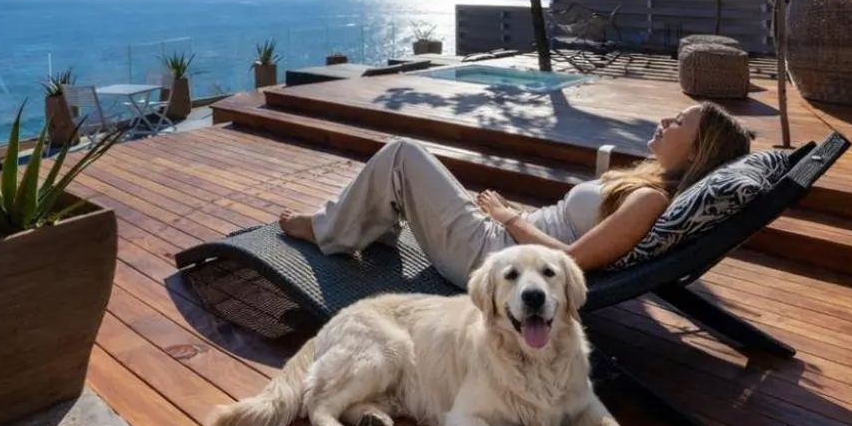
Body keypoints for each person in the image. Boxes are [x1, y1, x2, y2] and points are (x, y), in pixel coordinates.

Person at [279, 102, 753, 287]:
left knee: (403, 154)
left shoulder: (650, 201)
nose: (665, 120)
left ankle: (326, 230)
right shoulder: (649, 186)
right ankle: (364, 226)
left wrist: (507, 217)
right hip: (503, 240)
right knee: (416, 172)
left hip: (494, 256)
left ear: (695, 155)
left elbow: (572, 259)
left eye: (679, 123)